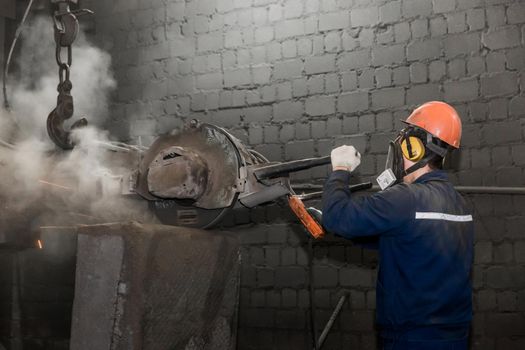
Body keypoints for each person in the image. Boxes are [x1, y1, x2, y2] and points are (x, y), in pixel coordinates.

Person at [321, 101, 474, 350]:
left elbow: (337, 216)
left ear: (414, 148)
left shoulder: (405, 198)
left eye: (405, 143)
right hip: (455, 336)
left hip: (410, 338)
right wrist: (351, 229)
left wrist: (340, 170)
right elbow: (404, 240)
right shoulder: (461, 204)